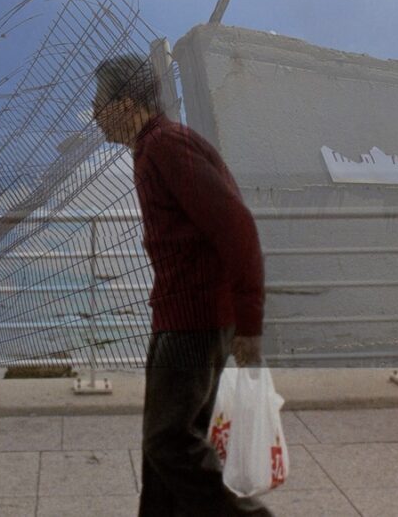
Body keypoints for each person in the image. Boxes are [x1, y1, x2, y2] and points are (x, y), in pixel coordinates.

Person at [93, 54, 272, 517]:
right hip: (182, 318)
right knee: (166, 448)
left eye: (99, 101)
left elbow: (237, 227)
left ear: (127, 102)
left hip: (192, 325)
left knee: (168, 442)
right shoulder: (155, 147)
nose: (93, 112)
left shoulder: (166, 146)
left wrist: (249, 324)